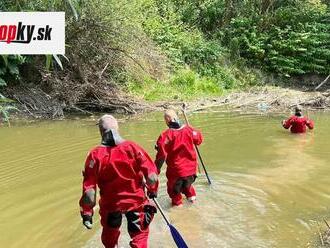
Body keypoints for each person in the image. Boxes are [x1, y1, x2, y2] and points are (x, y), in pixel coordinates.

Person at [79, 114, 159, 248]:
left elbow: (89, 193)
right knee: (139, 237)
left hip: (111, 206)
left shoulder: (94, 156)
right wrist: (152, 191)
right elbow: (152, 177)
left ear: (100, 131)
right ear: (117, 128)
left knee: (110, 239)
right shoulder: (133, 148)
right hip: (136, 202)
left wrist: (87, 214)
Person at [155, 109, 203, 207]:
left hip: (176, 173)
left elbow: (161, 156)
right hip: (192, 171)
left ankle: (179, 213)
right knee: (187, 186)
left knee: (174, 193)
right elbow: (199, 140)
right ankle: (193, 203)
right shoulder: (189, 130)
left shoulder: (165, 135)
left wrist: (155, 170)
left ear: (167, 120)